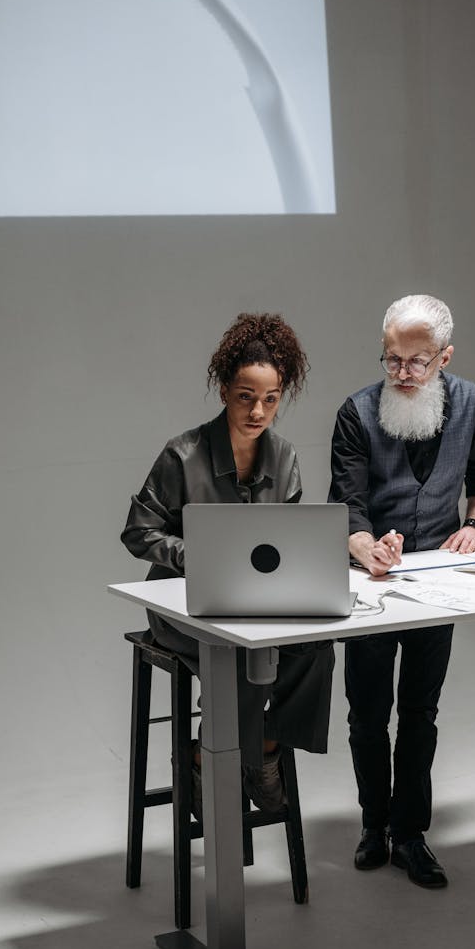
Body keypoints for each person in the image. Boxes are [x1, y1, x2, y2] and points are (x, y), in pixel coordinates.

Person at [122, 312, 335, 820]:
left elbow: (291, 543)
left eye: (271, 398)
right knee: (242, 657)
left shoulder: (284, 459)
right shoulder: (183, 454)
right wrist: (194, 557)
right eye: (245, 396)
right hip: (182, 604)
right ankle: (215, 755)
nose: (258, 410)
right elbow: (137, 532)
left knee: (316, 649)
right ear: (224, 391)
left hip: (256, 603)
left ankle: (260, 746)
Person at [329, 294, 475, 888]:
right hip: (370, 581)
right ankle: (373, 826)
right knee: (367, 714)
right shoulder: (355, 412)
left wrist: (474, 525)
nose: (402, 375)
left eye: (417, 363)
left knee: (421, 712)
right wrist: (367, 548)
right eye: (391, 360)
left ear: (444, 358)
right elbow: (347, 505)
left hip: (439, 581)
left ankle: (410, 834)